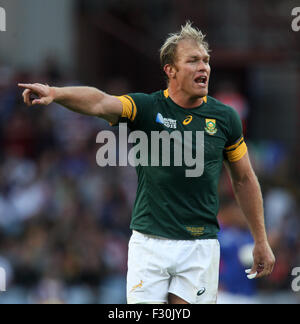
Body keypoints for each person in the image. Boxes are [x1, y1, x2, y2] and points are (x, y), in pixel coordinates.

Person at [18, 22, 275, 304]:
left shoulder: (225, 119)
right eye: (193, 61)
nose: (203, 67)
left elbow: (244, 179)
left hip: (199, 246)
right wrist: (56, 93)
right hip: (149, 244)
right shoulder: (146, 108)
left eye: (206, 60)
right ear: (171, 70)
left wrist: (260, 240)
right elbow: (101, 103)